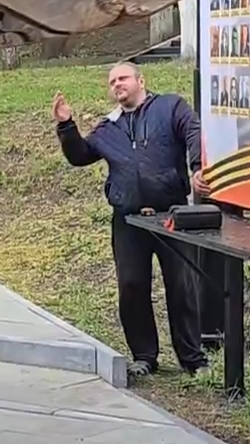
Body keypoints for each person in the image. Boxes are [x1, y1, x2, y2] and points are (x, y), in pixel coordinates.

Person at [53, 63, 211, 378]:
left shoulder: (170, 107)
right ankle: (144, 356)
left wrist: (197, 167)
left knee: (181, 287)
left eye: (122, 78)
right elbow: (81, 155)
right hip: (129, 219)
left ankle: (193, 360)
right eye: (112, 81)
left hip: (171, 215)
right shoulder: (107, 128)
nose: (117, 84)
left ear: (141, 80)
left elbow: (193, 130)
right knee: (131, 286)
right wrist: (67, 126)